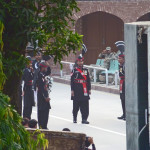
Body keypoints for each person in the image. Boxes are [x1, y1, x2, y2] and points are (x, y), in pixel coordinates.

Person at [71, 55, 91, 124]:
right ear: (77, 62)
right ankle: (75, 118)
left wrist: (89, 89)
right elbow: (72, 81)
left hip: (84, 89)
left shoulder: (85, 70)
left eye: (81, 61)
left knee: (85, 104)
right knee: (76, 105)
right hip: (76, 89)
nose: (80, 62)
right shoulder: (74, 70)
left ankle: (84, 119)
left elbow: (88, 79)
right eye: (79, 61)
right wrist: (72, 90)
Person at [37, 62, 51, 129]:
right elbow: (40, 87)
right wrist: (45, 97)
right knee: (42, 111)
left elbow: (48, 72)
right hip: (41, 96)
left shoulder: (43, 74)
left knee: (46, 110)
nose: (46, 68)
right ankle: (42, 126)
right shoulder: (39, 75)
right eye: (45, 67)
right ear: (42, 67)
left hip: (45, 94)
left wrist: (48, 65)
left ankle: (45, 125)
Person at [117, 54, 125, 121]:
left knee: (125, 99)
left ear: (123, 59)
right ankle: (124, 113)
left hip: (125, 83)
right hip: (122, 83)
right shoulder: (120, 66)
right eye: (118, 58)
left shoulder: (125, 65)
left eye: (120, 58)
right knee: (122, 98)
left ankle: (126, 114)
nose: (119, 60)